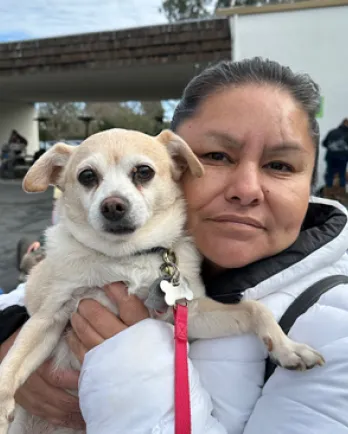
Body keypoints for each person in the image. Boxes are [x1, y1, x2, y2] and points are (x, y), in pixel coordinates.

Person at [1, 57, 348, 433]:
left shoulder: (336, 327)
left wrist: (132, 379)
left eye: (280, 165)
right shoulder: (119, 252)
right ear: (182, 166)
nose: (246, 190)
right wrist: (9, 340)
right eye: (217, 156)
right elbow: (29, 302)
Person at [323, 118, 348, 188]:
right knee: (342, 175)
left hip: (331, 157)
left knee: (330, 174)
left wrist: (332, 147)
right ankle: (341, 193)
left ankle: (328, 192)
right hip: (343, 158)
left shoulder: (332, 132)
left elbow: (324, 143)